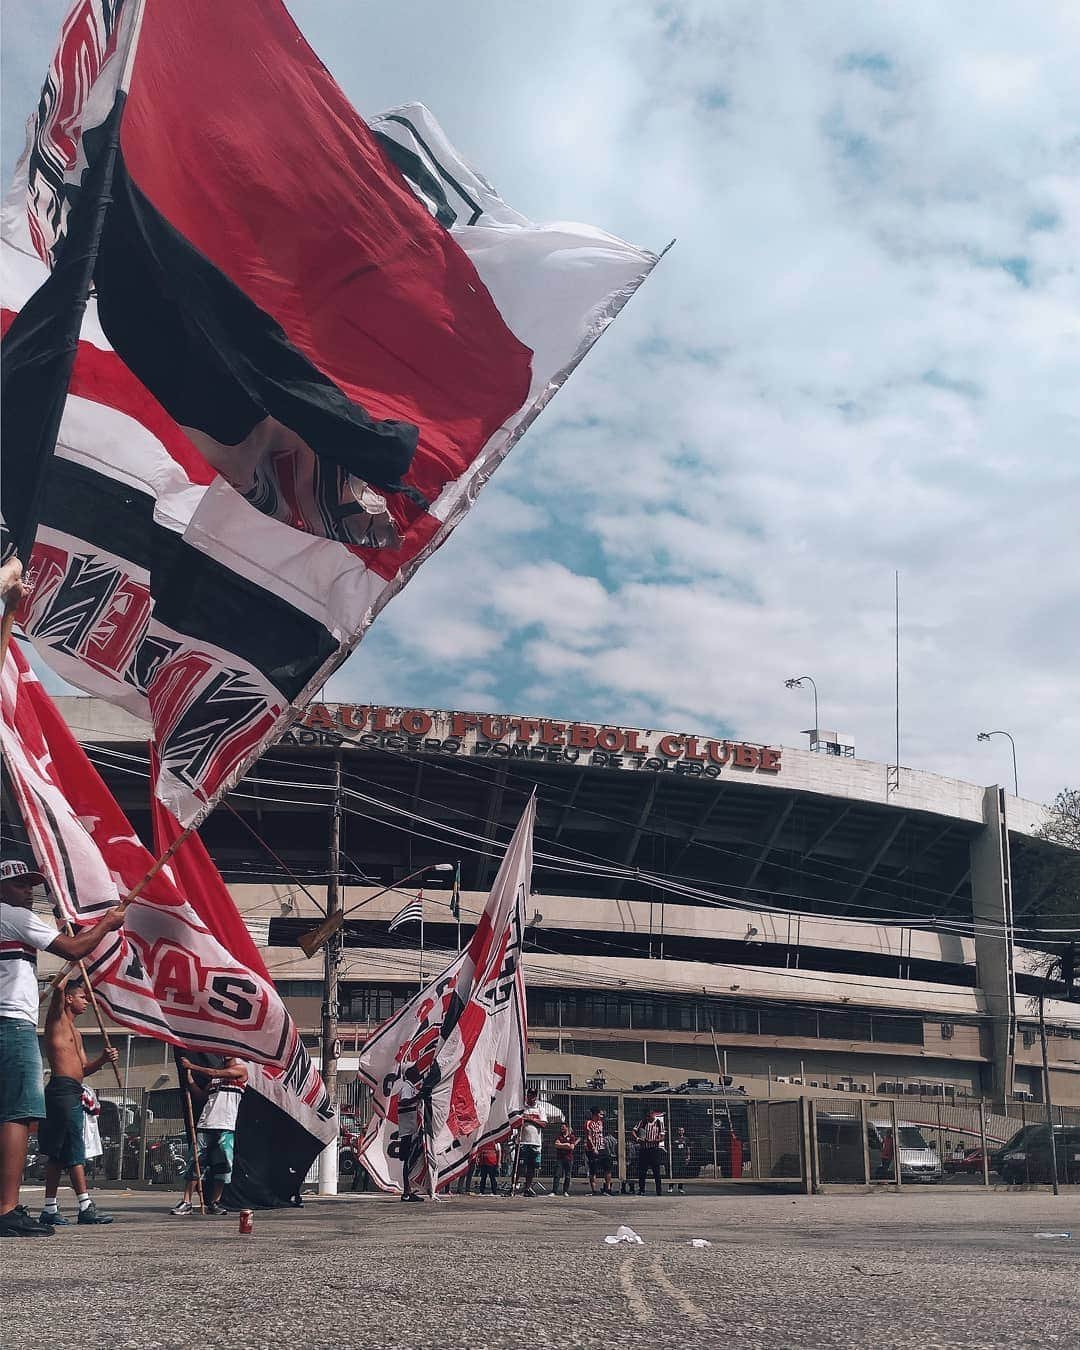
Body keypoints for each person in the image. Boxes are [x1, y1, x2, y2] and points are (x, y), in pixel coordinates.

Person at [0, 858, 126, 1238]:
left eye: (31, 884)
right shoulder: (13, 916)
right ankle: (6, 1208)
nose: (30, 891)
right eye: (20, 884)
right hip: (11, 1024)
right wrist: (106, 923)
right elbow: (73, 950)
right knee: (17, 1114)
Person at [38, 977, 119, 1226]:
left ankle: (50, 1208)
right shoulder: (57, 1020)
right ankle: (85, 1205)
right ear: (70, 998)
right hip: (61, 1091)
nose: (87, 1001)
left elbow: (84, 1068)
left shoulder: (77, 1033)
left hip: (73, 1089)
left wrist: (103, 1059)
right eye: (83, 996)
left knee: (60, 1153)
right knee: (73, 1148)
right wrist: (74, 957)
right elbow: (58, 989)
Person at [171, 1056, 248, 1215]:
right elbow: (201, 1097)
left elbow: (213, 1072)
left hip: (225, 1126)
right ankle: (187, 1201)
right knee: (196, 1163)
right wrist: (190, 1080)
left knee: (223, 1165)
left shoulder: (240, 1070)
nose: (225, 1054)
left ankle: (215, 1201)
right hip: (205, 1125)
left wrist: (191, 1065)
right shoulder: (214, 1082)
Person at [396, 1066, 426, 1202]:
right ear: (410, 1075)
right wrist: (418, 1097)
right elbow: (403, 1102)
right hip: (407, 1129)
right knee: (408, 1160)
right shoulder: (406, 1087)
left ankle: (409, 1190)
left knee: (411, 1160)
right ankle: (406, 1191)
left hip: (410, 1128)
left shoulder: (410, 1087)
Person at [518, 1088, 548, 1196]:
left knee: (531, 1167)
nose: (532, 1097)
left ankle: (527, 1188)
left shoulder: (540, 1108)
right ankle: (514, 1185)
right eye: (530, 1095)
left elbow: (544, 1124)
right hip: (522, 1141)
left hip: (535, 1142)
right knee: (519, 1166)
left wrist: (530, 1119)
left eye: (534, 1095)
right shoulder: (522, 1108)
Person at [633, 1107, 665, 1196]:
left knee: (656, 1171)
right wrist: (638, 1139)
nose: (648, 1118)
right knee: (642, 1171)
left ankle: (659, 1190)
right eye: (647, 1116)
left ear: (653, 1115)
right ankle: (641, 1189)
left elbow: (662, 1137)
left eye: (650, 1116)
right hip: (644, 1149)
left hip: (654, 1149)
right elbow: (634, 1131)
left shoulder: (659, 1123)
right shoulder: (642, 1122)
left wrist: (655, 1140)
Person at [584, 1106, 613, 1196]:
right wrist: (593, 1148)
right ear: (596, 1114)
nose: (602, 1116)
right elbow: (589, 1136)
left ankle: (607, 1188)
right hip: (592, 1149)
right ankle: (594, 1190)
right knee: (593, 1169)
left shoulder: (600, 1122)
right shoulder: (589, 1123)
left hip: (602, 1147)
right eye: (600, 1114)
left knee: (607, 1167)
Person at [552, 1122, 577, 1196]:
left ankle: (565, 1191)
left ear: (567, 1128)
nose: (562, 1128)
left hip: (569, 1158)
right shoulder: (559, 1136)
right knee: (557, 1174)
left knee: (567, 1175)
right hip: (560, 1158)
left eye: (563, 1127)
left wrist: (561, 1145)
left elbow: (571, 1147)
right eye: (561, 1127)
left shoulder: (571, 1136)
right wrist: (566, 1145)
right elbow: (556, 1145)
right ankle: (554, 1191)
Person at [669, 1125, 690, 1194]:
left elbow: (688, 1148)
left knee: (682, 1173)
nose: (681, 1131)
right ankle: (671, 1187)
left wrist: (688, 1157)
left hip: (683, 1157)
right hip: (675, 1157)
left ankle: (680, 1188)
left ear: (684, 1131)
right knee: (674, 1172)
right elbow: (671, 1147)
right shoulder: (674, 1138)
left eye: (682, 1130)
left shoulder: (686, 1139)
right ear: (677, 1131)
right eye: (679, 1130)